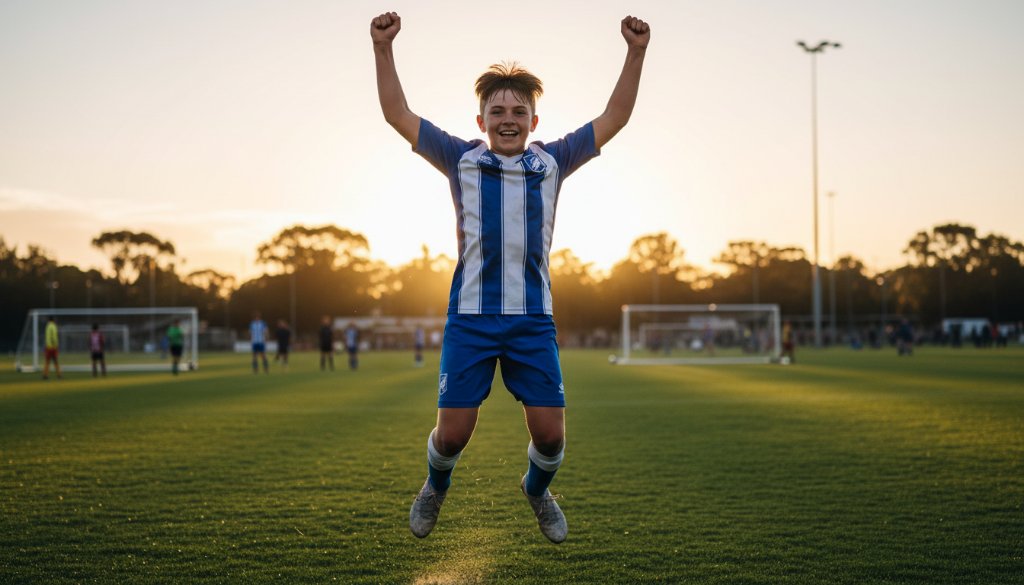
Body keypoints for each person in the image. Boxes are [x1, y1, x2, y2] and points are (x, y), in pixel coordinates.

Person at [371, 10, 650, 543]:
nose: (508, 118)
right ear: (481, 121)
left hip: (532, 320)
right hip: (471, 320)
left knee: (550, 436)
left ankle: (537, 491)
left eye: (518, 111)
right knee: (452, 437)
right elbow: (396, 112)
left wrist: (635, 52)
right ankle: (434, 486)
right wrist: (383, 48)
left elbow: (615, 116)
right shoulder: (459, 158)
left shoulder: (553, 161)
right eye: (497, 110)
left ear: (533, 122)